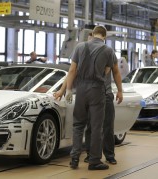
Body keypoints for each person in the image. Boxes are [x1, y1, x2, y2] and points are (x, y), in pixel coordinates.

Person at [54, 26, 122, 170]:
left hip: (81, 90)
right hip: (97, 89)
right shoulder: (108, 50)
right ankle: (94, 161)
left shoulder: (80, 47)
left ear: (92, 34)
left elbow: (72, 71)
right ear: (105, 36)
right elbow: (110, 71)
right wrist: (120, 91)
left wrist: (68, 90)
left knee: (78, 125)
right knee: (97, 127)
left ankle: (74, 159)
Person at [84, 50, 123, 165]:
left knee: (108, 126)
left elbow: (116, 72)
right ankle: (90, 154)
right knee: (91, 126)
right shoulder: (85, 52)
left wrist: (120, 90)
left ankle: (109, 155)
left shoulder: (108, 53)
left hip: (106, 94)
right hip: (92, 95)